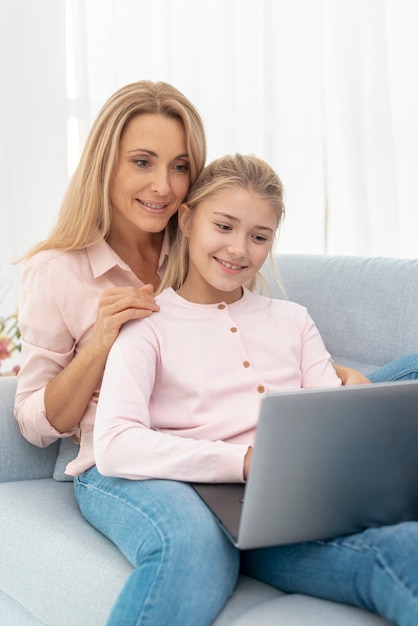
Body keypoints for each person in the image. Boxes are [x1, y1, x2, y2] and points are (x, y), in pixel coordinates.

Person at [13, 81, 417, 624]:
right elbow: (48, 422)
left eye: (180, 167)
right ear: (106, 165)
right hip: (126, 453)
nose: (163, 185)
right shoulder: (75, 280)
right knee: (194, 542)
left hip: (268, 459)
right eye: (142, 162)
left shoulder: (247, 280)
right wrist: (98, 348)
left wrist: (338, 395)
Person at [93, 153, 418, 626]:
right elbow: (115, 442)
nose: (239, 249)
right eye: (223, 226)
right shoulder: (148, 327)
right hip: (230, 510)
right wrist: (244, 461)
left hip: (312, 498)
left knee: (407, 541)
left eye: (259, 236)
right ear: (186, 219)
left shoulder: (293, 319)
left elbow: (329, 421)